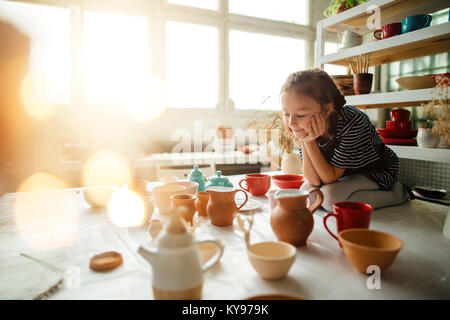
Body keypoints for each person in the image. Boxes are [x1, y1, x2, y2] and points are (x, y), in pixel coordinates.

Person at [280, 69, 409, 211]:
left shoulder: (353, 122)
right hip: (345, 174)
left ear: (327, 110)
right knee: (308, 195)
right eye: (286, 114)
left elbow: (330, 178)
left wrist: (309, 141)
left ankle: (398, 193)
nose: (291, 122)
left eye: (300, 115)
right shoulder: (307, 127)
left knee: (330, 199)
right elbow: (314, 180)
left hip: (374, 171)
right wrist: (305, 139)